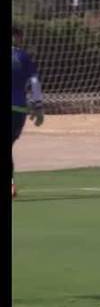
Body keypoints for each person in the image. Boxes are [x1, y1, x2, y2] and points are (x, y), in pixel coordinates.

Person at [11, 26, 44, 198]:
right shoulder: (23, 57)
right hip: (18, 110)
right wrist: (37, 106)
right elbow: (34, 82)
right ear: (16, 37)